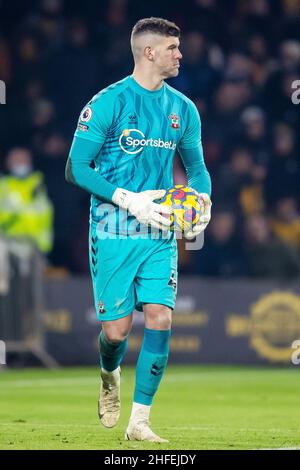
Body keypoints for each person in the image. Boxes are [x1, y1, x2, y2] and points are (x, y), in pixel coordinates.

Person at [65, 17, 212, 443]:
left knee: (161, 317)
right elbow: (75, 167)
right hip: (112, 228)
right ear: (149, 52)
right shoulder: (109, 103)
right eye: (172, 48)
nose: (180, 54)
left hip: (159, 231)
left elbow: (198, 170)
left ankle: (139, 421)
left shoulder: (183, 109)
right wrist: (130, 199)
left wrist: (203, 200)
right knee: (116, 332)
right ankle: (109, 372)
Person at [0, 147, 53, 254]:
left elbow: (46, 214)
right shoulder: (3, 185)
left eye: (24, 160)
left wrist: (45, 244)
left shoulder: (39, 183)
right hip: (9, 243)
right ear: (8, 162)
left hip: (36, 246)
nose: (21, 164)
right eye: (17, 160)